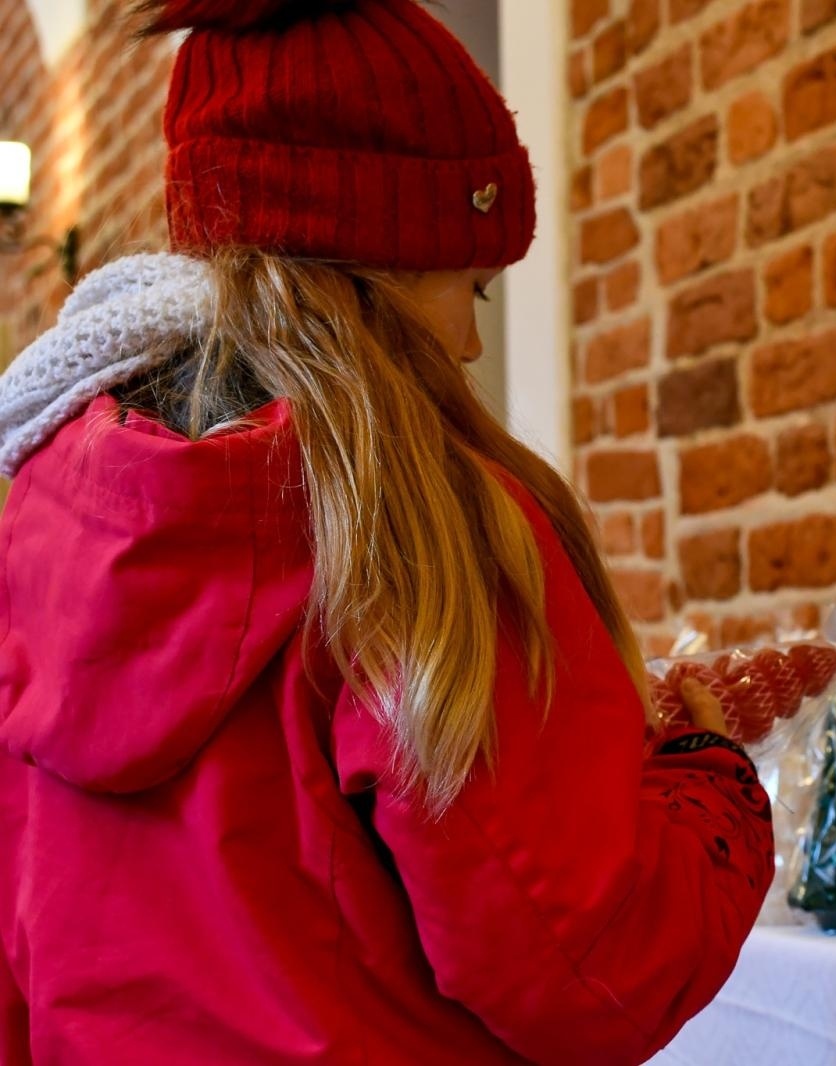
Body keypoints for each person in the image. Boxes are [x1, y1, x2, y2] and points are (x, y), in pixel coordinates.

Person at [0, 1, 774, 1063]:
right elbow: (585, 967)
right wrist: (704, 771)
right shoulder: (416, 530)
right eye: (474, 288)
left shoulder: (43, 527)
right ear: (388, 256)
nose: (464, 341)